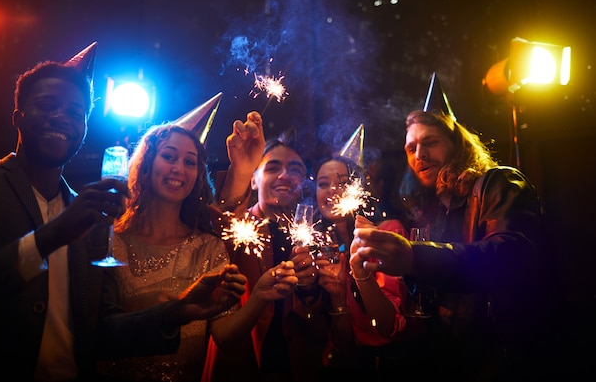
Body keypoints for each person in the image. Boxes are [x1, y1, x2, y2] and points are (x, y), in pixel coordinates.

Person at [0, 44, 246, 381]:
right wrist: (55, 233)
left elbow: (100, 334)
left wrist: (178, 311)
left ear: (84, 127)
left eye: (75, 112)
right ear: (18, 117)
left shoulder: (94, 222)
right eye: (46, 105)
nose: (61, 117)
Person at [351, 77, 561, 381]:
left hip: (511, 359)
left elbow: (511, 257)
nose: (419, 155)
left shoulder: (498, 183)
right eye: (411, 147)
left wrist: (414, 258)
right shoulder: (431, 213)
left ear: (458, 145)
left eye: (431, 142)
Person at [95, 122, 243, 381]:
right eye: (169, 156)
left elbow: (225, 337)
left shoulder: (208, 247)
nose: (178, 169)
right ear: (146, 164)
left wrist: (262, 295)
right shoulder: (109, 240)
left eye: (190, 162)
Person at [202, 116, 331, 382]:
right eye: (273, 167)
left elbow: (319, 325)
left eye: (295, 169)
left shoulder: (315, 236)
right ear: (253, 180)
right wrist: (240, 169)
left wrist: (309, 292)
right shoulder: (236, 226)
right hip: (239, 364)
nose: (285, 175)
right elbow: (217, 227)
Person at [312, 155, 409, 380]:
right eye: (323, 184)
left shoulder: (384, 234)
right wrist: (336, 297)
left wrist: (361, 274)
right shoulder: (323, 248)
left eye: (343, 183)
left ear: (359, 189)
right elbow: (343, 343)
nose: (331, 190)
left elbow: (386, 328)